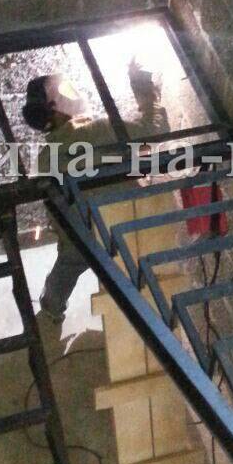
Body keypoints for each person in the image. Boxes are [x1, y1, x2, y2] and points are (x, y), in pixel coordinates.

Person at [23, 59, 168, 323]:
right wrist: (144, 87)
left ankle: (51, 308)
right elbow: (153, 131)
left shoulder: (43, 162)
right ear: (53, 108)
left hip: (82, 237)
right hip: (128, 220)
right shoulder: (96, 131)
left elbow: (55, 214)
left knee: (69, 262)